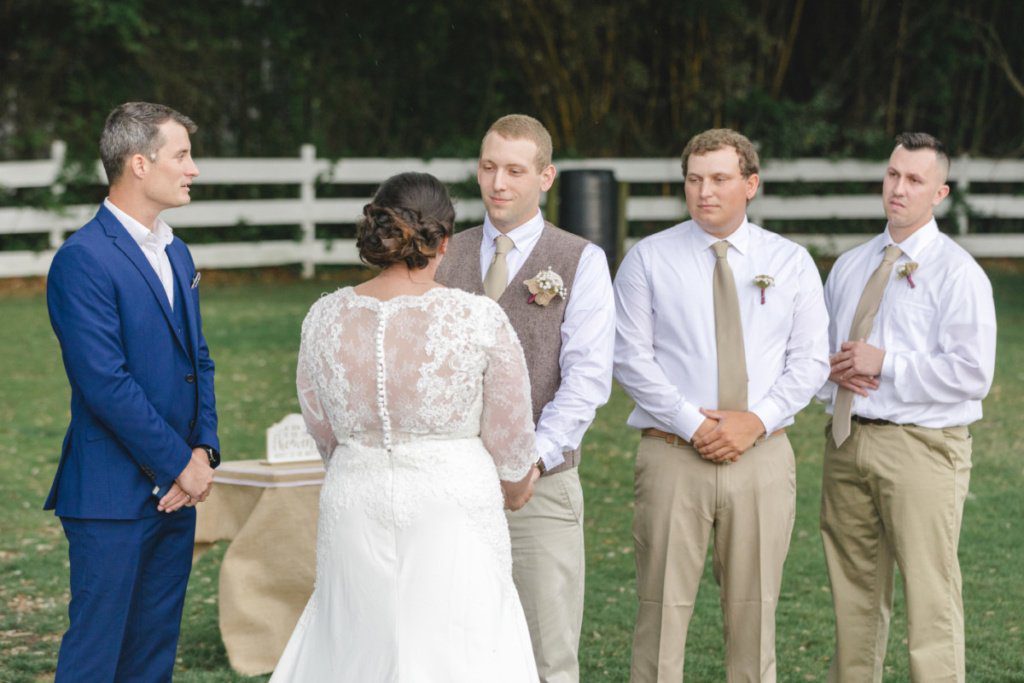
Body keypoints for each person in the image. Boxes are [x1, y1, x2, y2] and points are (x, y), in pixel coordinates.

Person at [270, 172, 540, 681]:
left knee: (354, 639)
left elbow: (321, 425)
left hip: (355, 495)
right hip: (452, 503)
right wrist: (516, 481)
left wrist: (359, 463)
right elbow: (511, 435)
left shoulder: (324, 316)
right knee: (461, 647)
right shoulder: (476, 317)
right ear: (444, 241)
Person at [614, 128, 830, 682]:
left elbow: (809, 361)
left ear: (750, 184)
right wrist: (694, 425)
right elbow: (631, 359)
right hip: (672, 454)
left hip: (762, 455)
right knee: (660, 615)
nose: (704, 191)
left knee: (754, 619)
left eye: (719, 179)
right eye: (694, 179)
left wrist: (754, 421)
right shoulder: (648, 259)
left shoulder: (791, 261)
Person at [436, 114, 615, 683]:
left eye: (515, 170)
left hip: (541, 488)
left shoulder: (580, 260)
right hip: (448, 483)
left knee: (547, 654)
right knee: (456, 647)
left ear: (546, 177)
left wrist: (529, 460)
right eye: (488, 167)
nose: (498, 183)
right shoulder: (443, 253)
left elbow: (587, 379)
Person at [45, 101, 220, 682]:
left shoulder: (176, 249)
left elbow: (199, 360)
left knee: (151, 658)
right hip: (111, 498)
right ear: (140, 164)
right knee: (97, 659)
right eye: (182, 155)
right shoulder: (83, 259)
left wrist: (204, 453)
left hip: (177, 490)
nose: (193, 168)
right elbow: (105, 382)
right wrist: (178, 465)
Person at [818, 133, 996, 682]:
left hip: (922, 450)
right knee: (853, 600)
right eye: (893, 175)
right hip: (847, 443)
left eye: (915, 180)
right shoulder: (850, 265)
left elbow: (974, 373)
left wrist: (885, 363)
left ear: (939, 192)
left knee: (930, 598)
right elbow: (828, 353)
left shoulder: (957, 272)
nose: (898, 188)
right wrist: (833, 371)